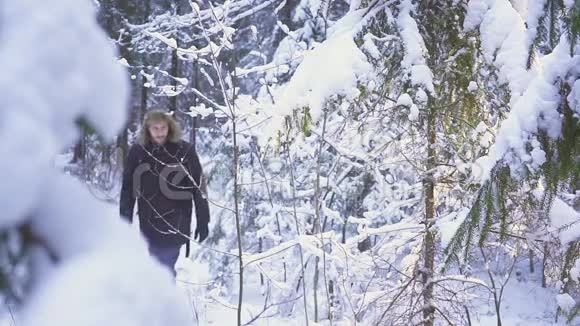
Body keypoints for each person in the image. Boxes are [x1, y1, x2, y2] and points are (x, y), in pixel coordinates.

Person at [120, 110, 210, 275]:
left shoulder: (184, 151)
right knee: (157, 264)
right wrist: (124, 221)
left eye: (163, 128)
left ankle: (163, 297)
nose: (160, 132)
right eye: (155, 128)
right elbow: (128, 189)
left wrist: (203, 220)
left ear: (170, 128)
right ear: (147, 129)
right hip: (149, 221)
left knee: (164, 267)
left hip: (177, 220)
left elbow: (198, 188)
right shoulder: (138, 152)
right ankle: (161, 296)